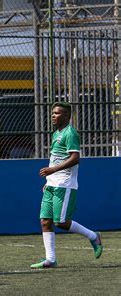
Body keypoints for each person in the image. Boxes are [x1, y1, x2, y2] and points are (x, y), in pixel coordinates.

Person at [30, 102, 102, 269]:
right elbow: (56, 157)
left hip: (65, 184)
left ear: (67, 116)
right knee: (45, 221)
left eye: (57, 113)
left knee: (61, 222)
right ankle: (51, 259)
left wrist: (52, 170)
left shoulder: (70, 133)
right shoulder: (56, 133)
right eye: (53, 113)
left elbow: (75, 158)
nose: (53, 116)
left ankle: (93, 236)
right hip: (52, 184)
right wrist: (49, 180)